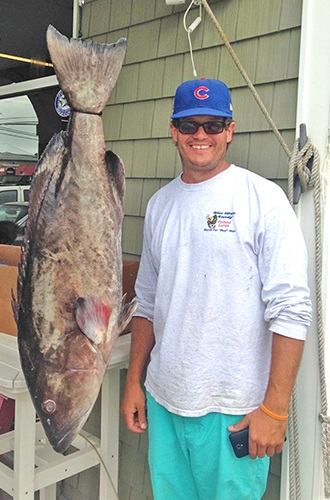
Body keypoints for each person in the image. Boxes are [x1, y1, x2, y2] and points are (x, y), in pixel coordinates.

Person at [121, 78, 312, 499]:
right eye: (189, 126)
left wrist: (275, 408)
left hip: (233, 408)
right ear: (173, 131)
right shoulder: (160, 205)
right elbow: (147, 303)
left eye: (213, 124)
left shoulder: (262, 198)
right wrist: (135, 381)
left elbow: (292, 308)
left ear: (230, 129)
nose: (200, 135)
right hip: (164, 398)